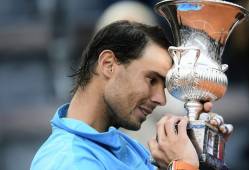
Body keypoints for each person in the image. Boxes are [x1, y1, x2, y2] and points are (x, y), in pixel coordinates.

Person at [30, 20, 232, 170]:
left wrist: (199, 156)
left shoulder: (122, 144)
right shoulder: (68, 161)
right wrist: (184, 165)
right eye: (152, 79)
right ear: (108, 65)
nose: (160, 99)